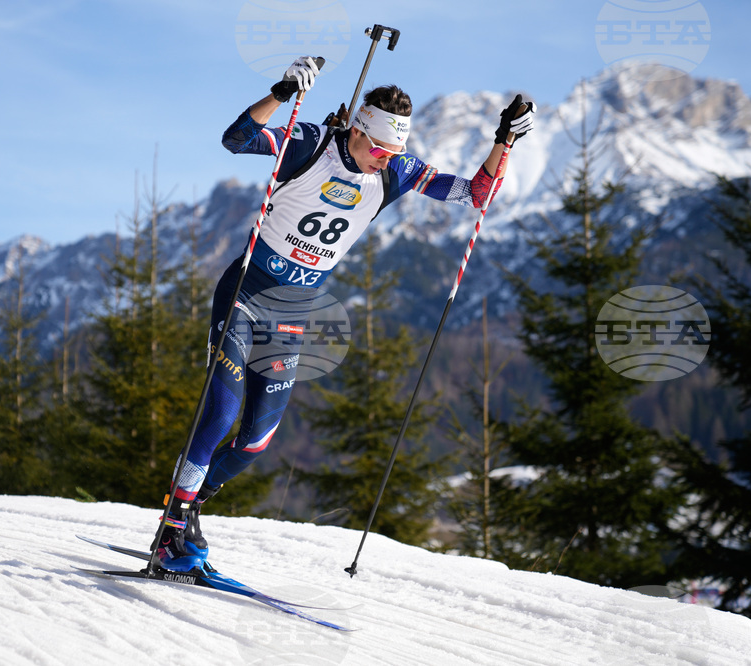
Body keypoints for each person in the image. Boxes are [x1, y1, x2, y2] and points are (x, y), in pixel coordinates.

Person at [152, 56, 534, 571]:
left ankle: (191, 505)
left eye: (394, 150)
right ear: (356, 129)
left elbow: (474, 194)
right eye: (378, 147)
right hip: (246, 292)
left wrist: (504, 141)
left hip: (294, 310)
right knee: (220, 412)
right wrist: (282, 91)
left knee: (255, 440)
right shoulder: (310, 146)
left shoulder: (396, 171)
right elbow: (237, 138)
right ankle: (172, 528)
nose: (385, 158)